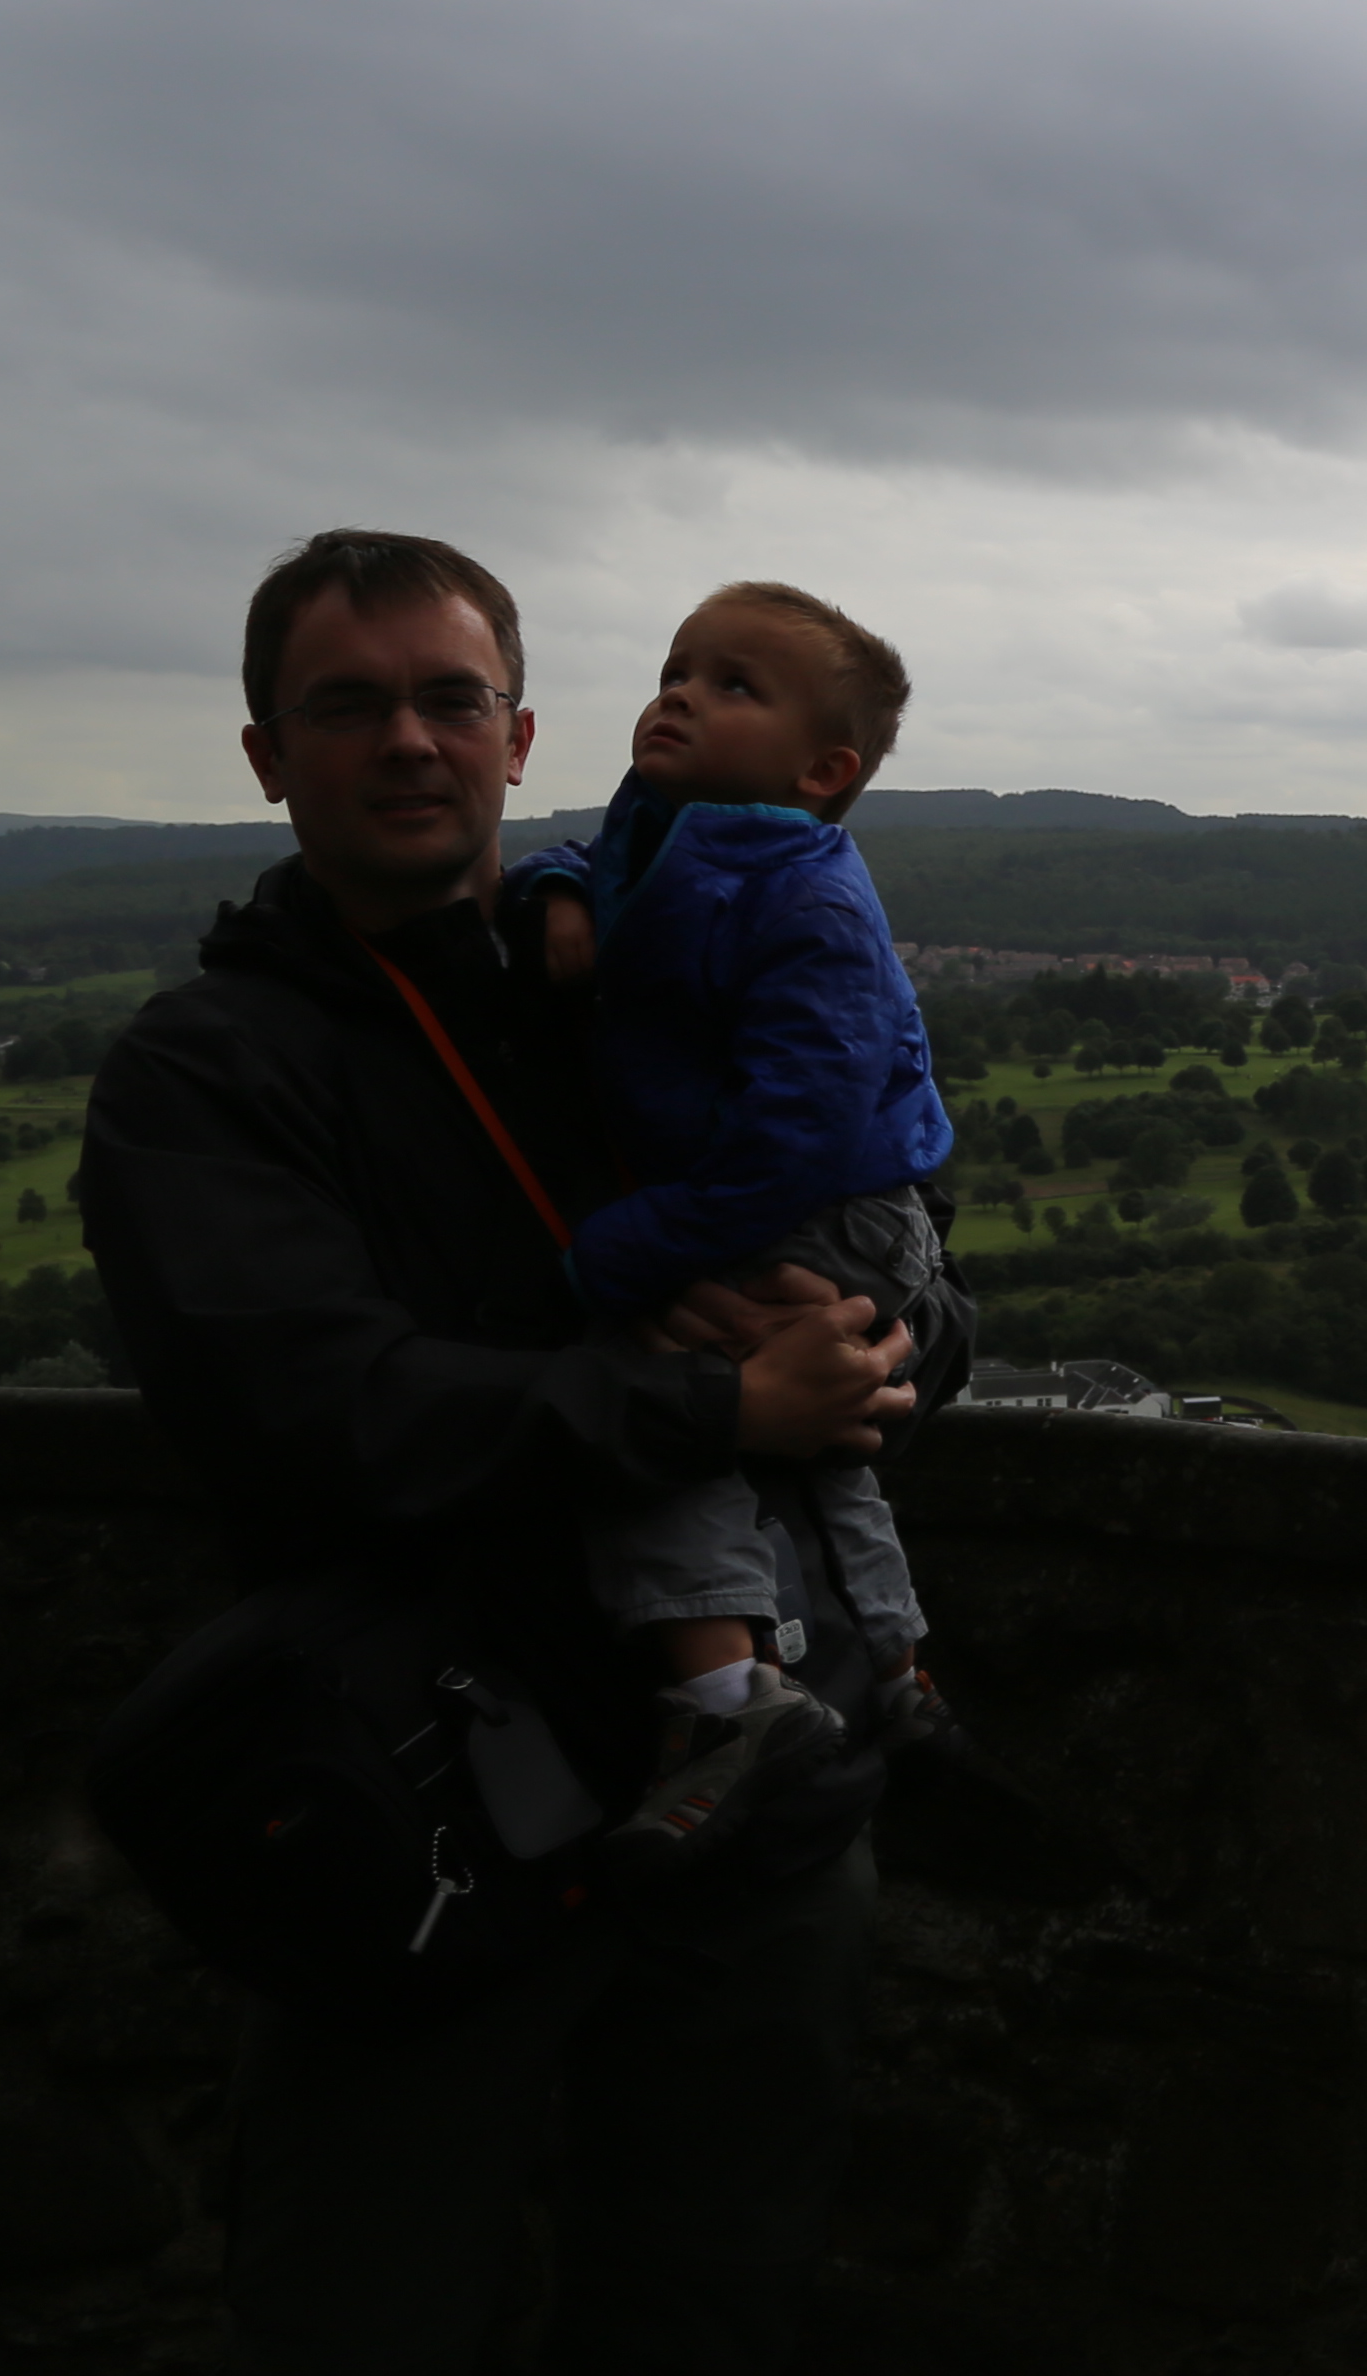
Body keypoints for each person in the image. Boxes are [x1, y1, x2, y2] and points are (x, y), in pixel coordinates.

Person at [83, 529, 946, 2375]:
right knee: (363, 2312)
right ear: (266, 755)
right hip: (428, 1815)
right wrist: (716, 1406)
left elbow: (895, 1267)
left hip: (753, 1812)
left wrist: (872, 1339)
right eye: (350, 703)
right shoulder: (213, 1068)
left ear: (519, 730)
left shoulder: (639, 987)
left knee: (711, 2302)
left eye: (449, 698)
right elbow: (318, 1411)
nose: (410, 739)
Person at [512, 580, 967, 1854]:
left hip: (831, 1205)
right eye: (677, 666)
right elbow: (597, 866)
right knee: (810, 1439)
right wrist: (551, 897)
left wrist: (626, 1255)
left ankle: (724, 1692)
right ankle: (892, 1668)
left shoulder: (810, 901)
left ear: (824, 770)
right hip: (794, 1194)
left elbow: (795, 1135)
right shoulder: (669, 824)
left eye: (731, 686)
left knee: (660, 1386)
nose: (679, 694)